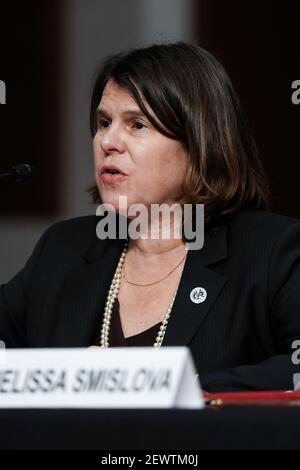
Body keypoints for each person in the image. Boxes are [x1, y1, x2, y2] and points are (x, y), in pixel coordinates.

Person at [0, 42, 300, 392]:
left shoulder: (273, 251)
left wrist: (157, 385)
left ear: (199, 140)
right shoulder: (63, 248)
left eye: (137, 125)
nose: (108, 141)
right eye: (103, 122)